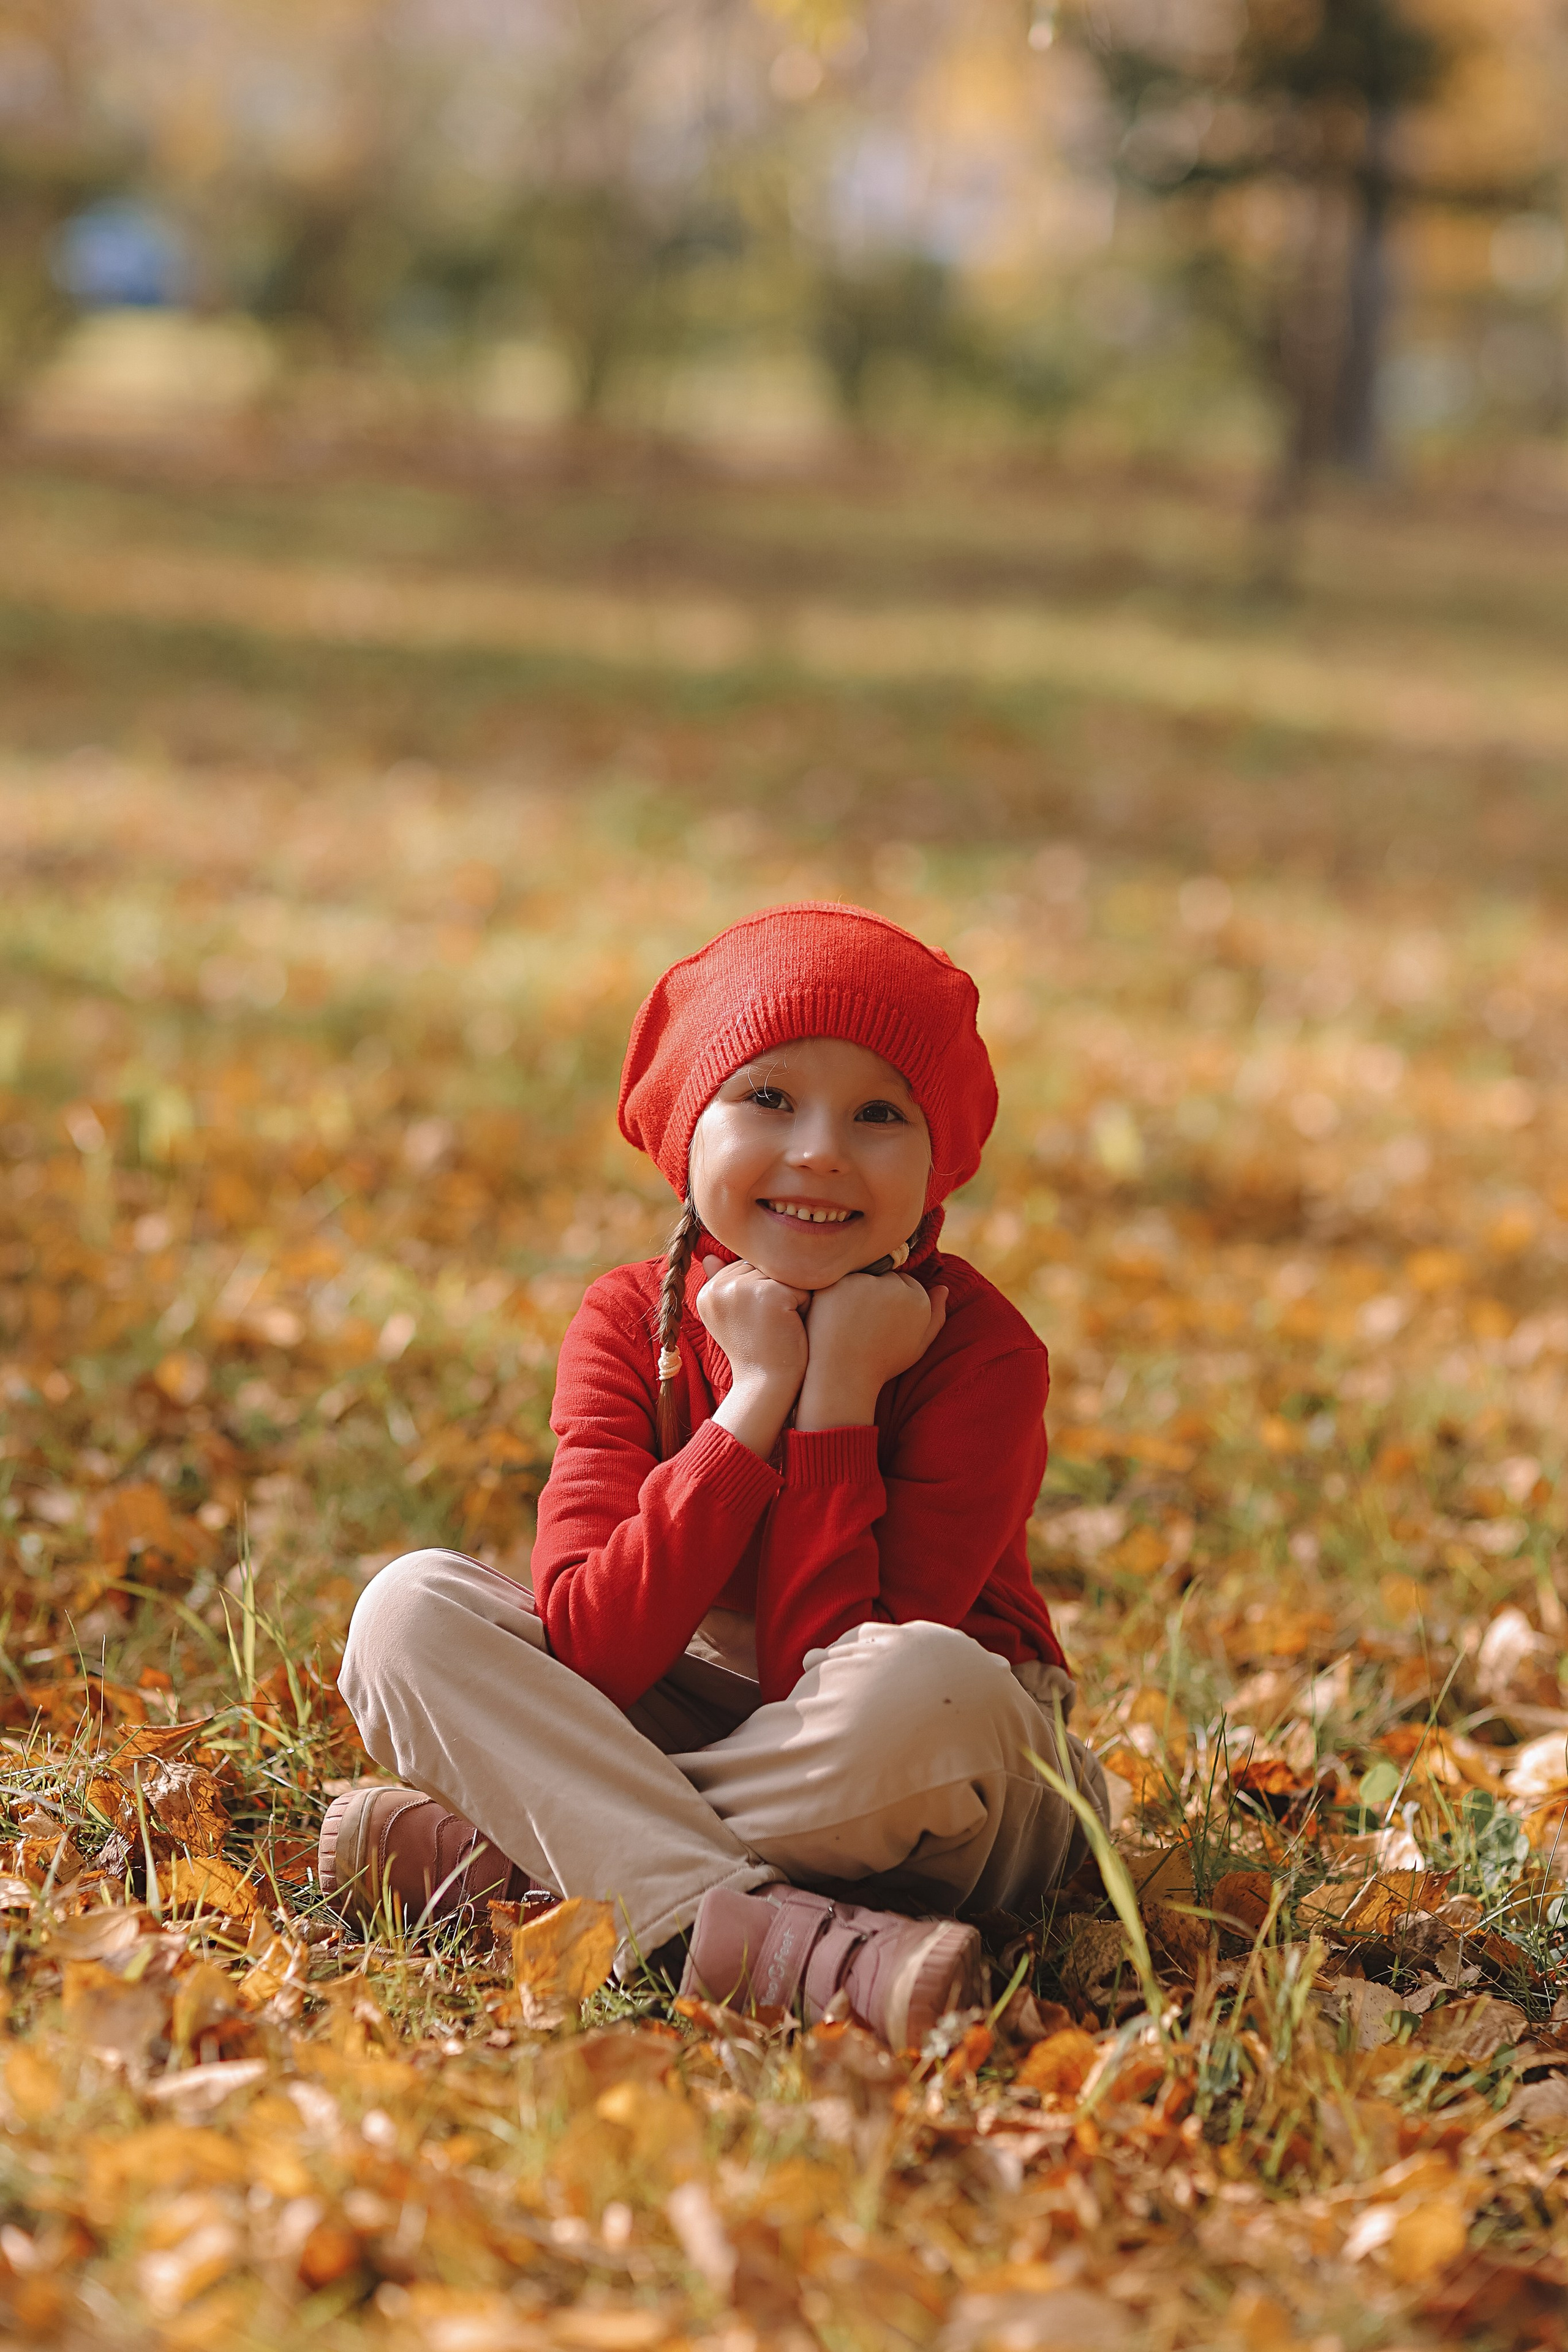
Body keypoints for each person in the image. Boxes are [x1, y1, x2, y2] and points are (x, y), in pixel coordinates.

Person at [326, 903, 1107, 2049]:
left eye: (880, 1113)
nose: (821, 1150)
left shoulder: (981, 1355)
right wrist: (748, 1408)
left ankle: (547, 1861)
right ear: (688, 1127)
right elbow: (592, 1643)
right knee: (409, 1614)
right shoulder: (622, 1320)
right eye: (769, 1098)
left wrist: (838, 1399)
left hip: (935, 1767)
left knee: (922, 1687)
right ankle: (761, 1936)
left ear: (937, 1159)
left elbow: (828, 1676)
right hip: (701, 1712)